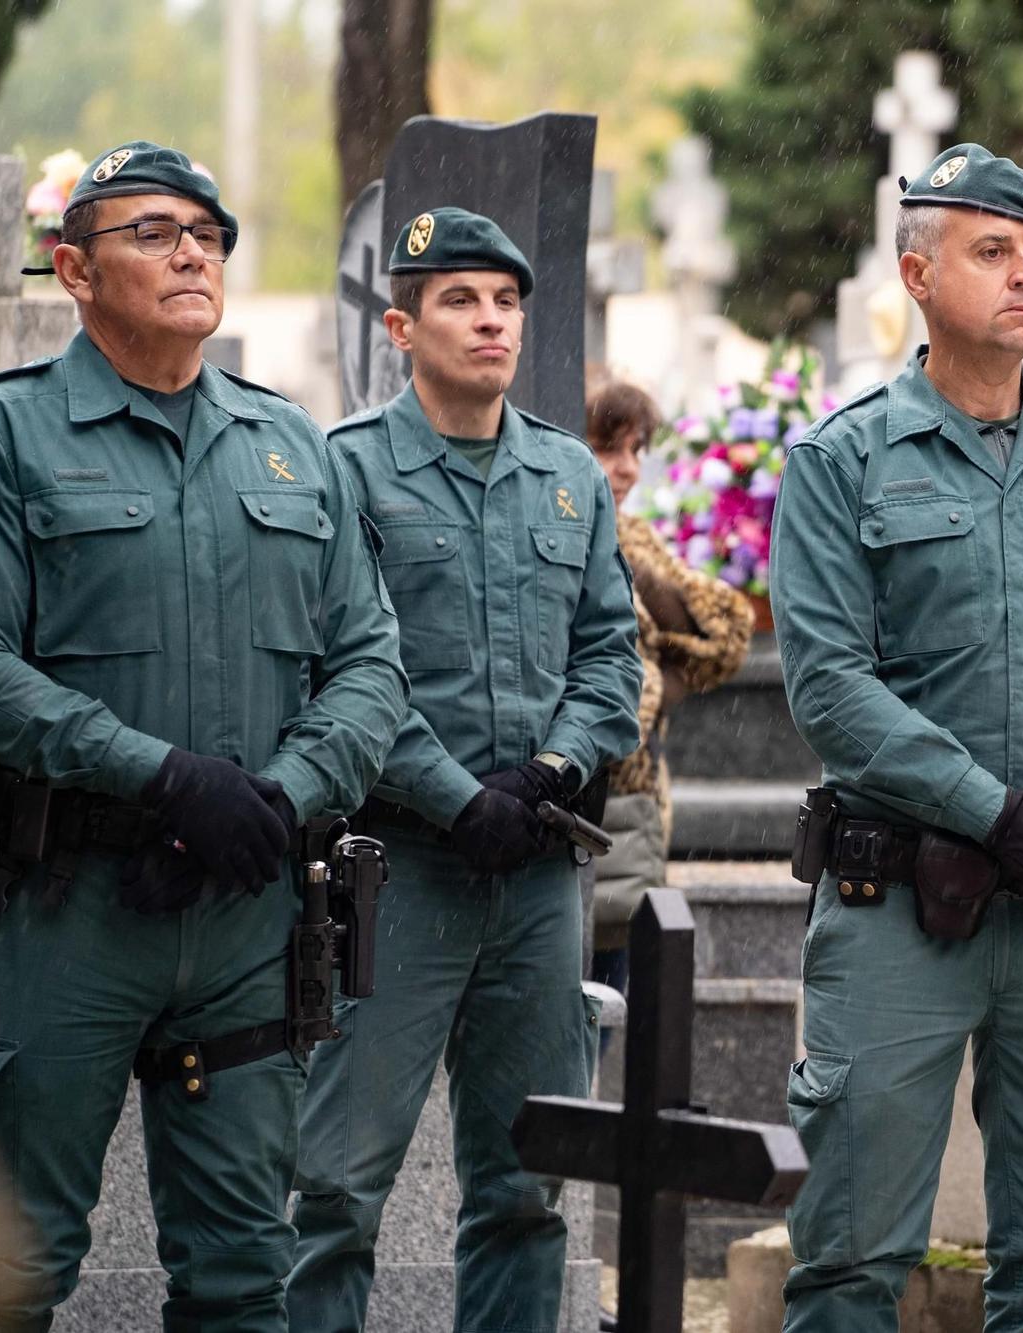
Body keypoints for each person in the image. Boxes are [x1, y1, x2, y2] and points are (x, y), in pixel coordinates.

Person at [0, 140, 408, 1331]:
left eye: (207, 231)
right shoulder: (3, 437)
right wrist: (158, 778)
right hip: (66, 906)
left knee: (240, 1274)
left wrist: (276, 795)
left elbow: (369, 665)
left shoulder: (288, 443)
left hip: (246, 912)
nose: (191, 250)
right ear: (73, 269)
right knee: (7, 1271)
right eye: (152, 232)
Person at [769, 143, 1023, 1331]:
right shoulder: (842, 460)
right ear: (915, 273)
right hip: (903, 898)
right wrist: (996, 812)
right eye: (990, 251)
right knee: (852, 1254)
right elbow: (832, 690)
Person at [288, 207, 643, 1333]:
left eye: (504, 302)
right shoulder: (345, 472)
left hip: (536, 880)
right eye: (459, 299)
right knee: (337, 1186)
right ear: (400, 324)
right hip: (399, 876)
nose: (490, 321)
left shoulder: (568, 476)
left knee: (527, 1184)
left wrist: (551, 768)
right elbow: (335, 668)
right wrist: (454, 795)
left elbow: (608, 653)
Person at [581, 380, 752, 998]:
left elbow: (731, 632)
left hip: (630, 820)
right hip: (565, 804)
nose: (626, 468)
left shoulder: (636, 539)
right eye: (608, 448)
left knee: (606, 1004)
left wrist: (662, 681)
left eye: (635, 450)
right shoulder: (556, 533)